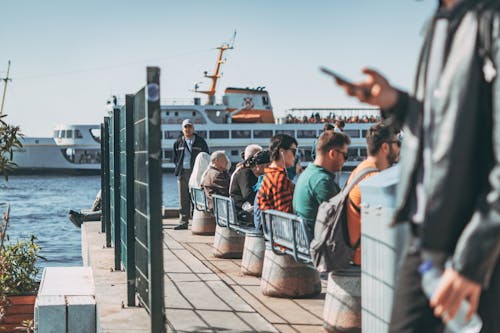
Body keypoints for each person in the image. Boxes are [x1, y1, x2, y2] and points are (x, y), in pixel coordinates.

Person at [335, 1, 500, 331]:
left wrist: (473, 258)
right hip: (426, 239)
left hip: (477, 244)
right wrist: (396, 103)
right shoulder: (436, 23)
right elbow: (443, 126)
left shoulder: (490, 18)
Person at [346, 122, 400, 266]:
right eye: (397, 143)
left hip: (360, 249)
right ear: (385, 147)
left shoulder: (362, 170)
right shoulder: (374, 179)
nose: (400, 148)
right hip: (366, 256)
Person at [293, 131, 351, 242]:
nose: (345, 161)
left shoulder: (307, 174)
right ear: (333, 154)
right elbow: (342, 218)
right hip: (320, 245)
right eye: (345, 155)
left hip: (304, 239)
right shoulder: (322, 181)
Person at [173, 119, 209, 230]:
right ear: (182, 129)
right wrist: (178, 168)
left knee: (196, 197)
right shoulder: (178, 142)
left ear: (193, 128)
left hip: (196, 173)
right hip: (183, 173)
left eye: (189, 127)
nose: (187, 129)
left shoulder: (200, 141)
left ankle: (196, 221)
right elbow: (175, 157)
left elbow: (206, 156)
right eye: (185, 127)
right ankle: (183, 221)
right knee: (183, 198)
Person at [258, 134, 298, 214]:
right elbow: (285, 214)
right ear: (282, 151)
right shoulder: (279, 179)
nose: (295, 156)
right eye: (293, 151)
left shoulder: (269, 175)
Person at [231, 149, 270, 225]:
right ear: (260, 165)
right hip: (241, 211)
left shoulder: (255, 173)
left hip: (247, 207)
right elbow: (247, 195)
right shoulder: (245, 173)